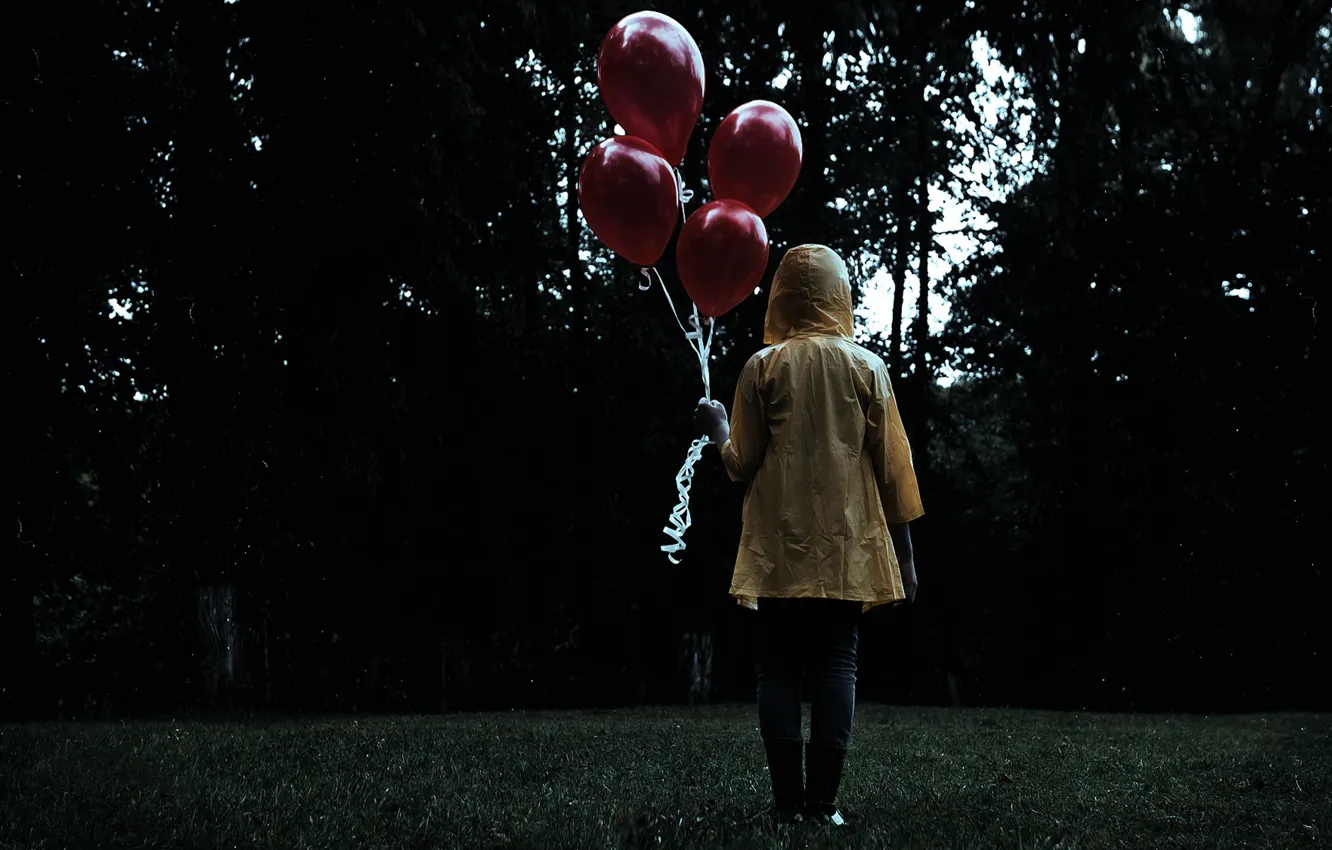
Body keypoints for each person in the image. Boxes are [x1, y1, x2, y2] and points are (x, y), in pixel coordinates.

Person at [693, 244, 924, 828]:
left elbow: (740, 465)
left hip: (778, 545)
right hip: (847, 546)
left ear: (782, 298)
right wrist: (907, 559)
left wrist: (719, 428)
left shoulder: (762, 367)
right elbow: (895, 472)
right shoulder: (867, 367)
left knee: (777, 668)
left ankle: (786, 807)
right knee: (835, 665)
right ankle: (824, 806)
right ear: (840, 294)